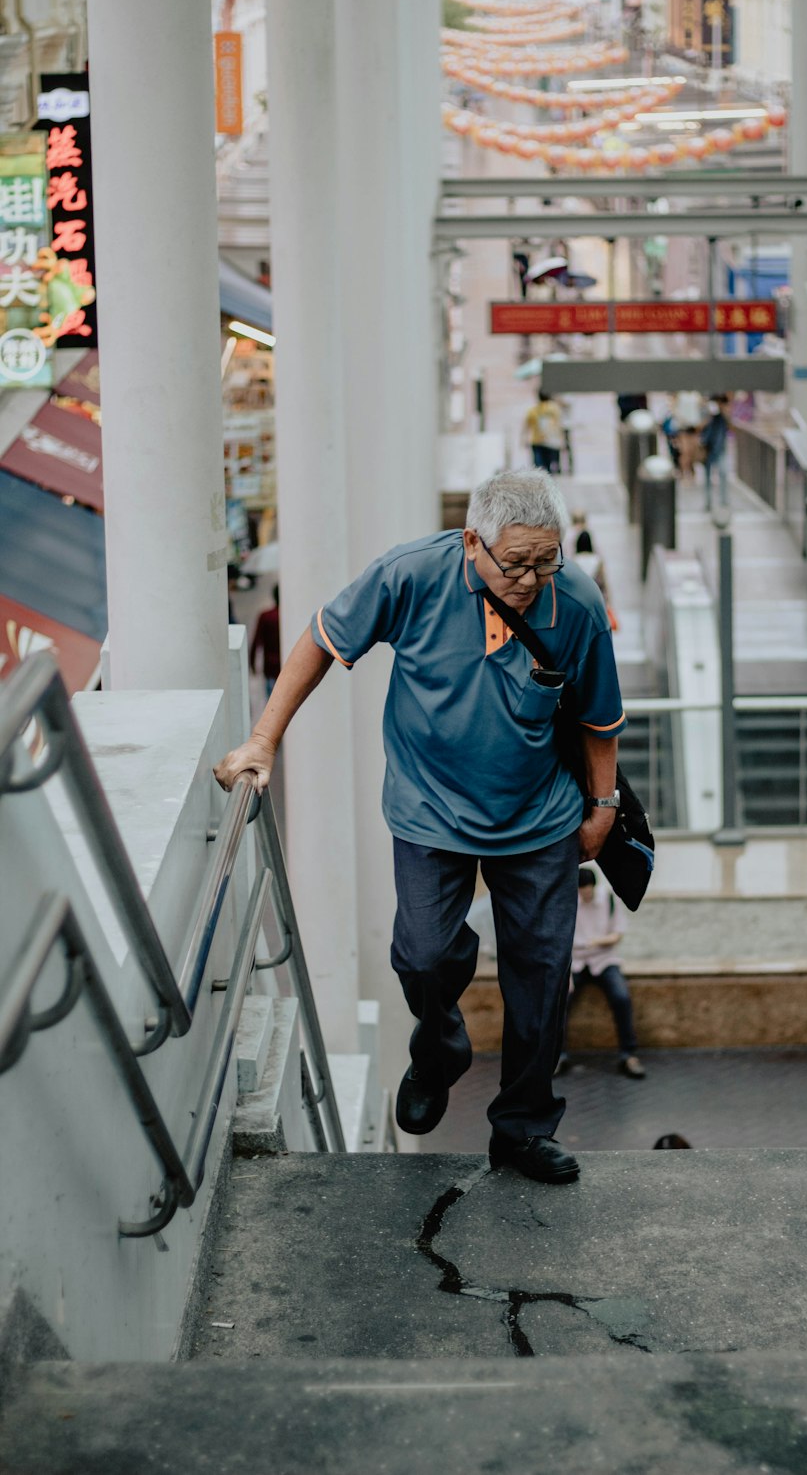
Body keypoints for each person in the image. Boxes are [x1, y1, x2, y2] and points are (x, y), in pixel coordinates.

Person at [213, 470, 626, 1185]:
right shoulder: (411, 576)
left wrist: (603, 808)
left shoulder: (577, 603)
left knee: (541, 980)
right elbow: (320, 637)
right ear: (472, 543)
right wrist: (263, 739)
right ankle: (439, 1050)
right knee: (425, 955)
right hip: (430, 808)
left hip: (539, 820)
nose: (532, 579)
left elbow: (598, 720)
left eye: (546, 560)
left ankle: (523, 1130)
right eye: (516, 562)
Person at [556, 867, 645, 1080]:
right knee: (558, 1001)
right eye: (581, 891)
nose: (585, 895)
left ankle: (628, 1055)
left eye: (587, 890)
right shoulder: (567, 900)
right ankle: (557, 1056)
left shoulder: (608, 900)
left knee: (621, 997)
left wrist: (596, 942)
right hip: (576, 961)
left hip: (603, 959)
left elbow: (617, 934)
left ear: (594, 887)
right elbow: (559, 937)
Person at [250, 584, 282, 698]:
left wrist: (252, 662)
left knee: (271, 701)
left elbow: (256, 641)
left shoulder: (266, 616)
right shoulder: (288, 616)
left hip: (270, 667)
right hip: (286, 664)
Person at [522, 388, 563, 474]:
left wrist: (524, 438)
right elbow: (559, 425)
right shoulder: (554, 408)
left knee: (538, 467)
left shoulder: (533, 410)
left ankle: (540, 484)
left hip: (537, 441)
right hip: (551, 441)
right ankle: (547, 484)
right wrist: (561, 440)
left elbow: (526, 425)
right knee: (549, 466)